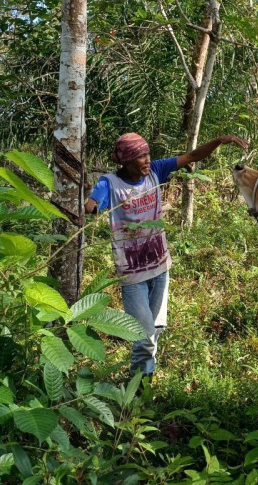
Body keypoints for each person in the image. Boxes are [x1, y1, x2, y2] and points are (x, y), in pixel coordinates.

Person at [85, 132, 247, 380]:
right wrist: (83, 203)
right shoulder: (110, 184)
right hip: (133, 275)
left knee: (156, 331)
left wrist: (218, 141)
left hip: (160, 267)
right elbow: (91, 206)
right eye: (141, 156)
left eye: (147, 154)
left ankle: (143, 384)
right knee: (143, 336)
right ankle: (138, 388)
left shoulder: (155, 172)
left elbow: (193, 156)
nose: (147, 160)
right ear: (126, 161)